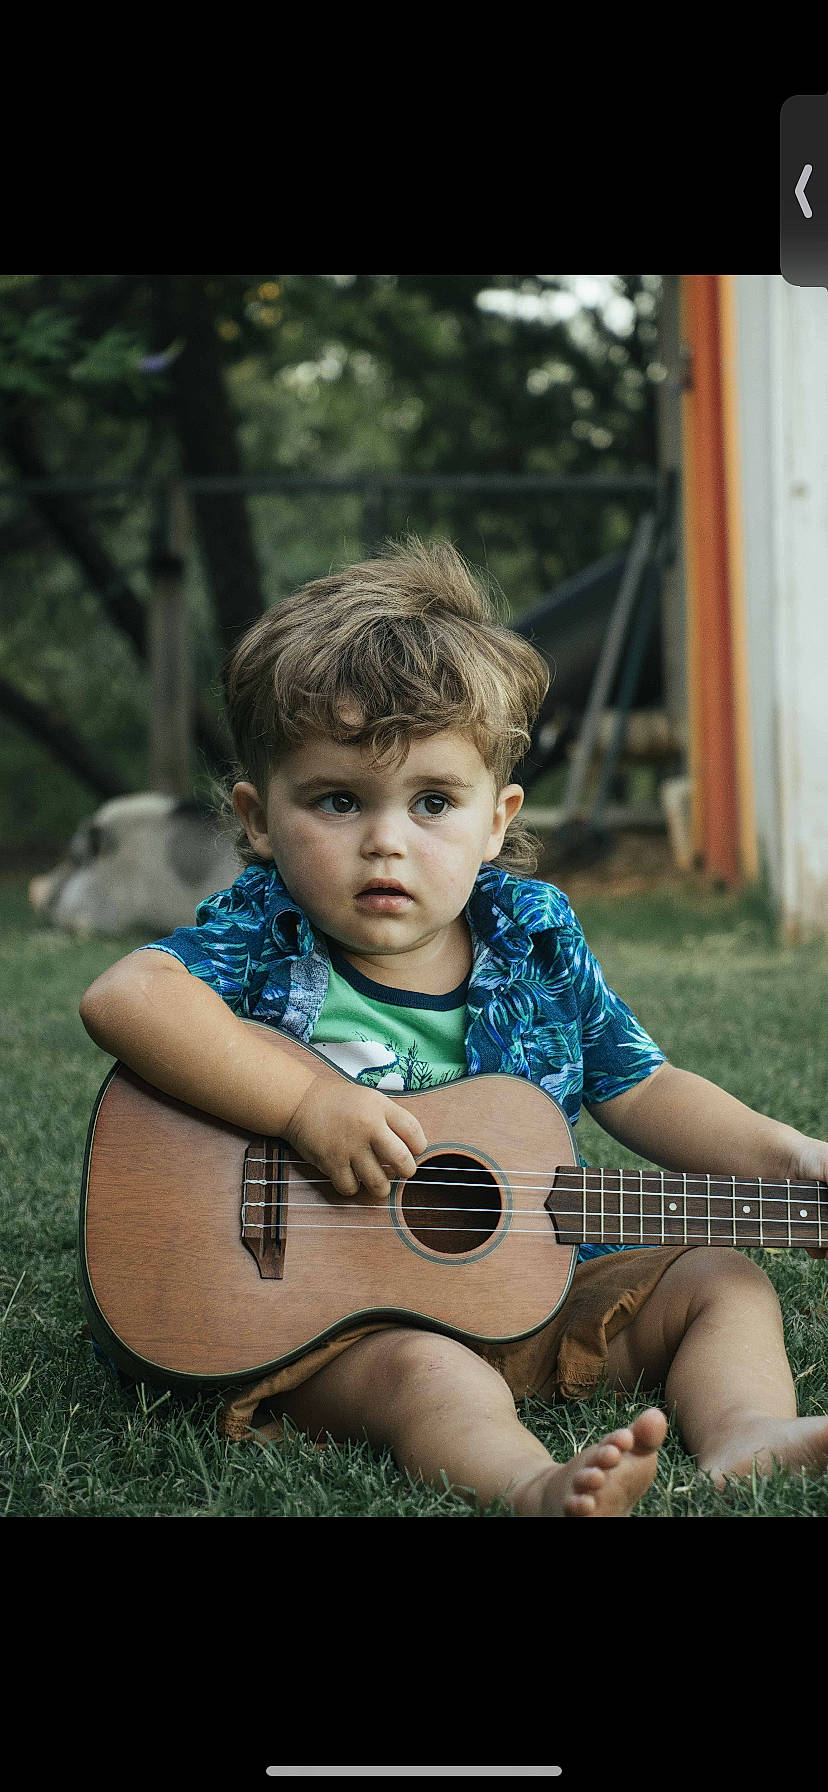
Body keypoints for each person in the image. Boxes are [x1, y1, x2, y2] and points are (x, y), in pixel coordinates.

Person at [79, 537, 828, 1517]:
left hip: (535, 1287)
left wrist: (790, 1162)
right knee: (429, 1372)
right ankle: (531, 1483)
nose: (387, 838)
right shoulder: (264, 931)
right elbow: (126, 997)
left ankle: (746, 1432)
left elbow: (640, 1082)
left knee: (723, 1278)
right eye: (339, 799)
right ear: (259, 819)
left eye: (433, 801)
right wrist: (307, 1102)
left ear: (496, 818)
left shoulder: (532, 936)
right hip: (326, 1321)